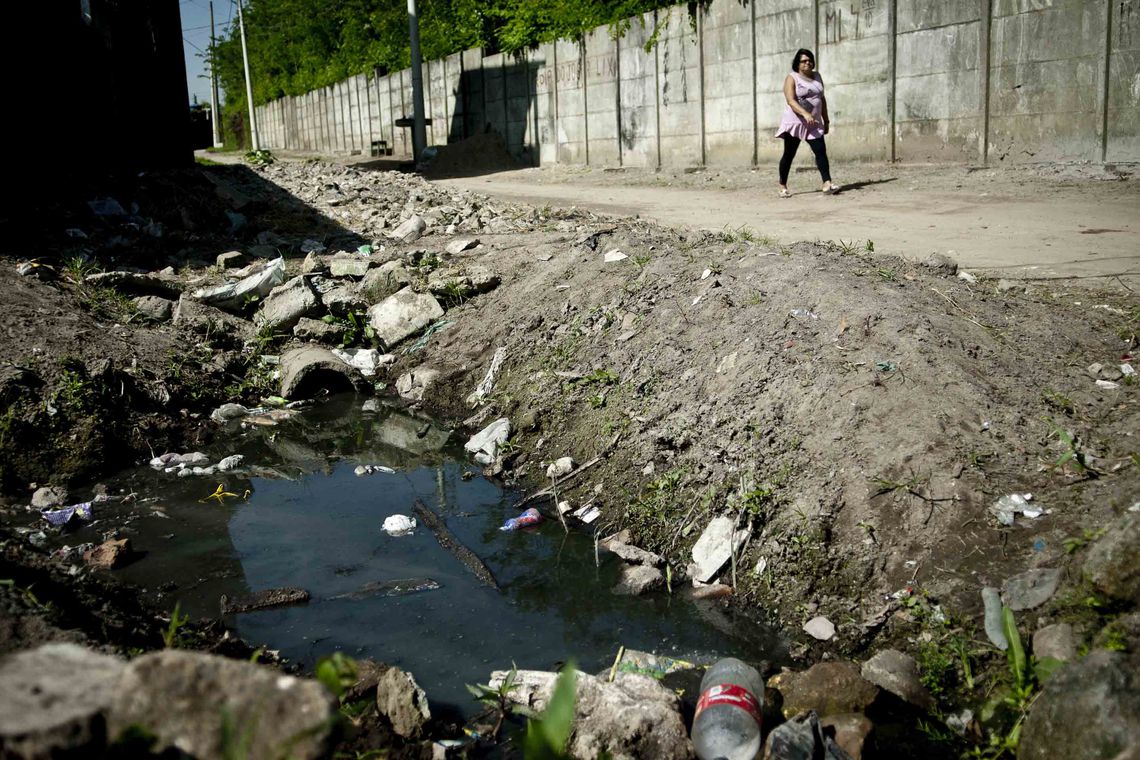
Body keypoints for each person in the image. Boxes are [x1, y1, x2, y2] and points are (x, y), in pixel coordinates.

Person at [775, 48, 839, 197]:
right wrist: (805, 113)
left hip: (814, 122)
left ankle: (827, 183)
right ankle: (782, 185)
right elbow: (790, 100)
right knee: (789, 154)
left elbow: (821, 99)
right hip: (796, 121)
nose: (807, 63)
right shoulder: (792, 78)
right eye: (804, 61)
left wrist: (826, 120)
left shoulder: (817, 76)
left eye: (810, 60)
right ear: (797, 64)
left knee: (820, 151)